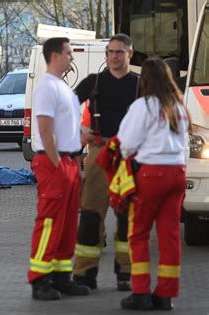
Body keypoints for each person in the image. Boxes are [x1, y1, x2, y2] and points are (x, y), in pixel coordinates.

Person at [118, 57, 190, 311]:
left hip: (152, 175)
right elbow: (185, 146)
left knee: (138, 234)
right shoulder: (179, 106)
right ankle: (165, 295)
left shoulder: (143, 106)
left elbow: (126, 144)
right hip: (177, 175)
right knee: (169, 236)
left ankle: (140, 292)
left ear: (145, 79)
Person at [72, 34, 139, 291]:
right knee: (90, 213)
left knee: (128, 215)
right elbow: (66, 106)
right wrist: (77, 134)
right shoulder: (94, 82)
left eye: (119, 52)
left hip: (129, 154)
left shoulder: (139, 85)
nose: (113, 56)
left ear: (130, 55)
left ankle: (126, 273)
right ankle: (84, 273)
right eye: (110, 51)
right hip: (99, 151)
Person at [28, 37, 90, 301]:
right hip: (55, 163)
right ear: (55, 55)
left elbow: (63, 127)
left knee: (66, 223)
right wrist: (58, 165)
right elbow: (44, 129)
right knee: (50, 221)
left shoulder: (61, 87)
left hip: (67, 161)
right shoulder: (46, 88)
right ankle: (40, 279)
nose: (72, 58)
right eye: (68, 53)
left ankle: (62, 276)